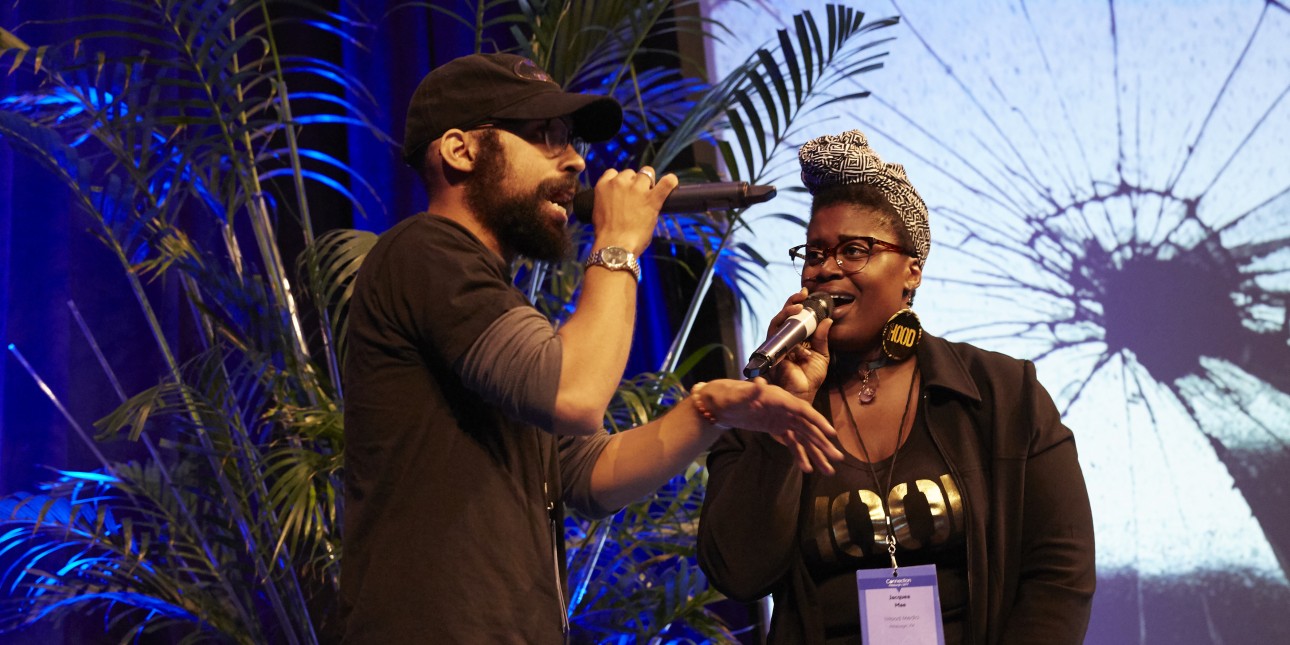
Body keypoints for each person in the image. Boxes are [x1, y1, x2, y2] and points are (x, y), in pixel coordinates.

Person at [338, 53, 844, 644]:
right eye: (545, 136)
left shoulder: (488, 302)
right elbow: (575, 394)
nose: (575, 158)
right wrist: (619, 242)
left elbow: (589, 477)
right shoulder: (424, 252)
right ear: (460, 149)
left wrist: (708, 410)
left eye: (570, 139)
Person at [697, 129, 1096, 644]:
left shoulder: (1003, 393)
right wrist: (785, 412)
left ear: (913, 271)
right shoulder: (765, 405)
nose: (827, 270)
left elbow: (1059, 576)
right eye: (815, 253)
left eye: (855, 250)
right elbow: (738, 574)